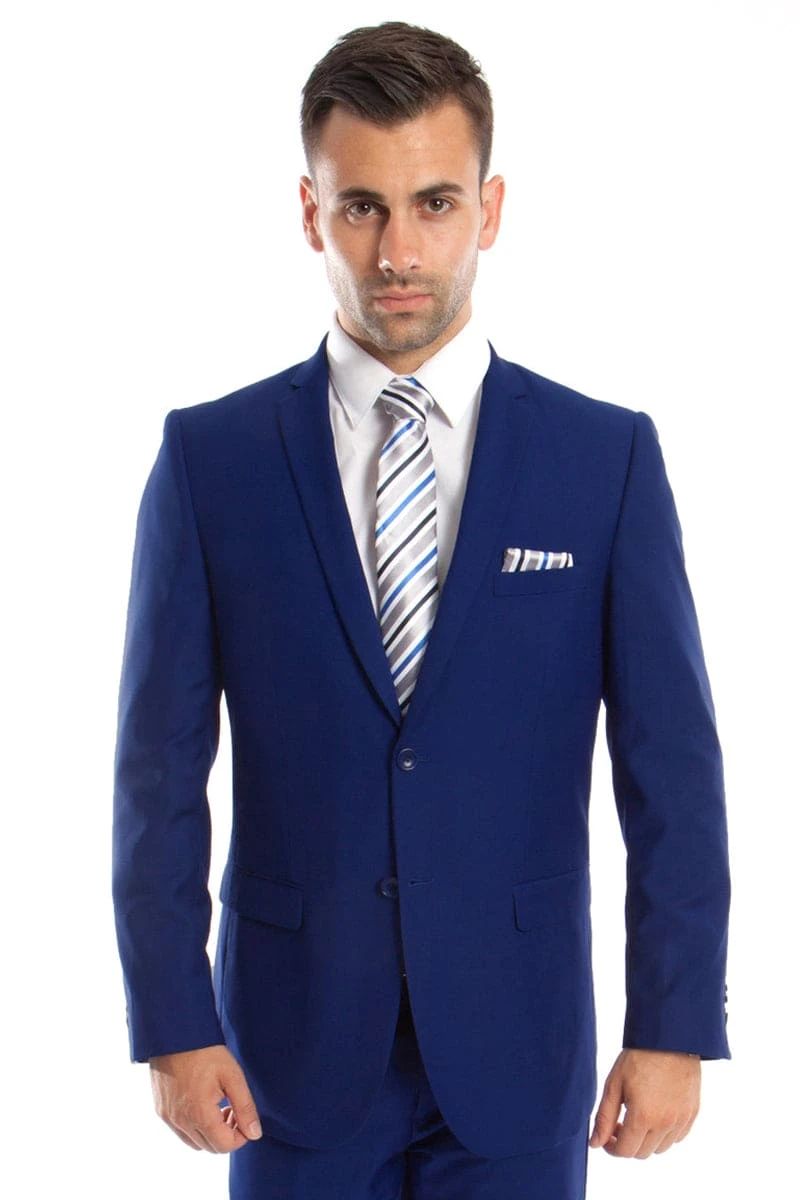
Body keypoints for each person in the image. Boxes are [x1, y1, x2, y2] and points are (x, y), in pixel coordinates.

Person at [111, 20, 731, 1200]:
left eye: (433, 204)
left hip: (521, 1046)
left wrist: (673, 1023)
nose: (397, 250)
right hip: (283, 1055)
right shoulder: (210, 460)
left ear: (488, 211)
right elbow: (157, 774)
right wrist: (171, 1022)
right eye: (361, 207)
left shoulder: (601, 460)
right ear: (310, 213)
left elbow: (672, 770)